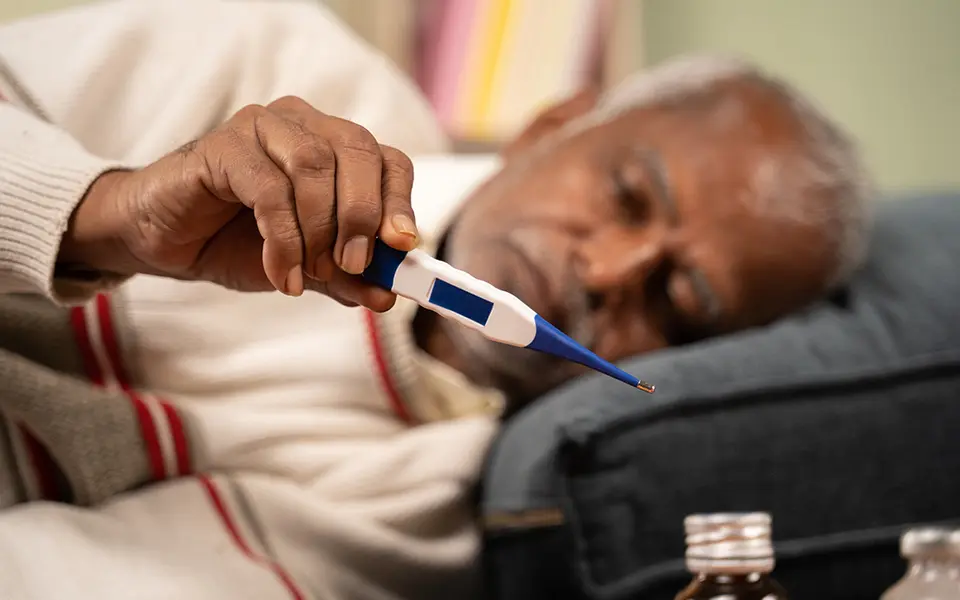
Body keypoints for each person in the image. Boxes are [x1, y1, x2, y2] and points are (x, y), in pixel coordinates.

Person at [0, 1, 872, 599]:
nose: (607, 272)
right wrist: (99, 213)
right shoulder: (269, 57)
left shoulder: (422, 525)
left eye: (675, 300)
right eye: (628, 196)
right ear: (557, 120)